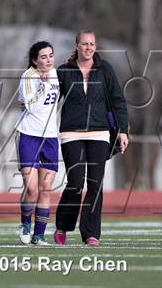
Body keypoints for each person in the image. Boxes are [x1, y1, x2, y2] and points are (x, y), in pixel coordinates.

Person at [54, 30, 129, 246]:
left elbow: (118, 101)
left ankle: (90, 233)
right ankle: (63, 226)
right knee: (75, 183)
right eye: (85, 43)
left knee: (95, 184)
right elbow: (49, 101)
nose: (88, 47)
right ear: (76, 45)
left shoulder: (105, 70)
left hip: (100, 133)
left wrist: (122, 130)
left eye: (92, 44)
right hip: (71, 134)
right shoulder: (64, 71)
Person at [16, 41, 59, 245]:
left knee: (46, 188)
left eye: (51, 55)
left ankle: (39, 234)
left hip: (50, 138)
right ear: (34, 60)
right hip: (29, 136)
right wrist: (43, 85)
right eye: (43, 56)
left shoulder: (56, 74)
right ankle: (25, 222)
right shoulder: (29, 76)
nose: (49, 59)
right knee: (31, 188)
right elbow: (31, 107)